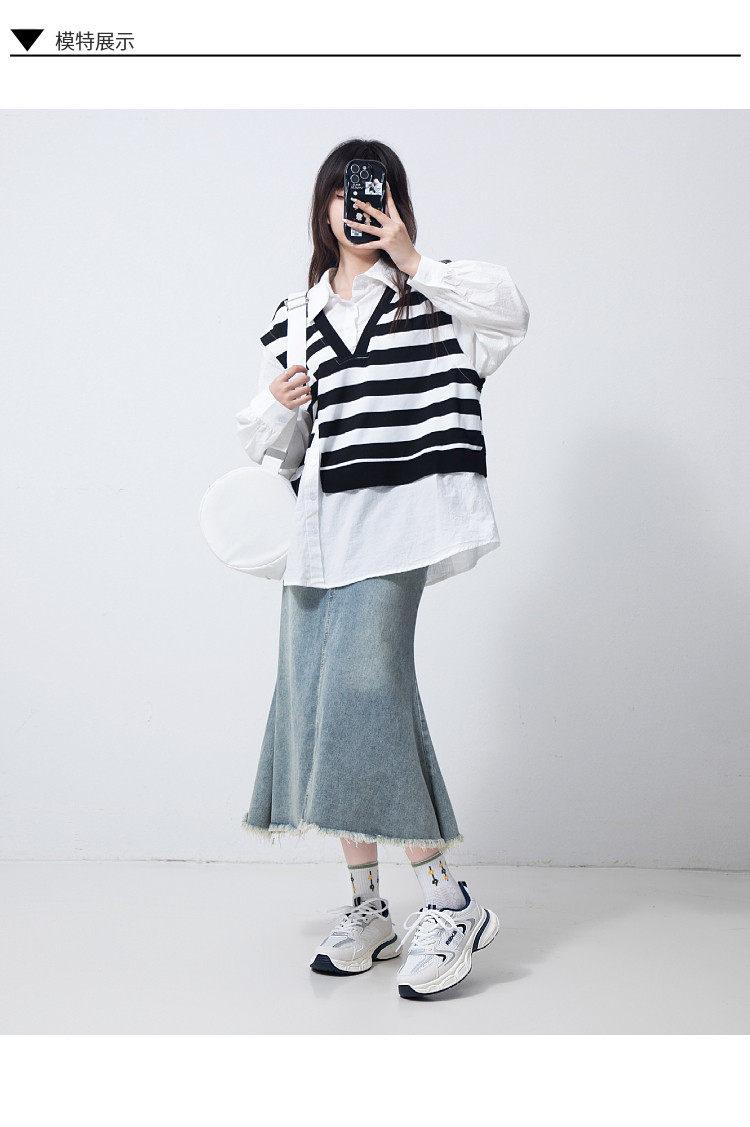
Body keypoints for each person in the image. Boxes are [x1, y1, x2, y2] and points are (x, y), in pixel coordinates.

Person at [235, 138, 530, 998]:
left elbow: (512, 312)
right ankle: (370, 906)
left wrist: (414, 257)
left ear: (395, 204)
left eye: (375, 193)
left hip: (397, 533)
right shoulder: (295, 317)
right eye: (344, 192)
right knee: (324, 711)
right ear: (323, 207)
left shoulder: (433, 296)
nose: (357, 207)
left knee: (367, 696)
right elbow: (272, 449)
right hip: (318, 538)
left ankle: (448, 899)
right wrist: (275, 404)